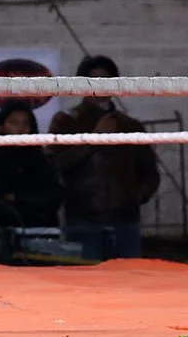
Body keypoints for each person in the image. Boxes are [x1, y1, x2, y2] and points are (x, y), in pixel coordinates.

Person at [50, 62, 158, 260]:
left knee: (130, 283)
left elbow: (150, 173)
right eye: (94, 79)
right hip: (83, 219)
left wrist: (134, 197)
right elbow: (55, 166)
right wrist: (93, 140)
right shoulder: (65, 122)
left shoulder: (131, 125)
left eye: (106, 79)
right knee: (87, 286)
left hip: (126, 221)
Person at [0, 99, 62, 231]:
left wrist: (18, 197)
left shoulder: (42, 158)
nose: (21, 128)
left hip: (41, 232)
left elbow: (54, 197)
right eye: (14, 123)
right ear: (2, 127)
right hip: (2, 233)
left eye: (26, 123)